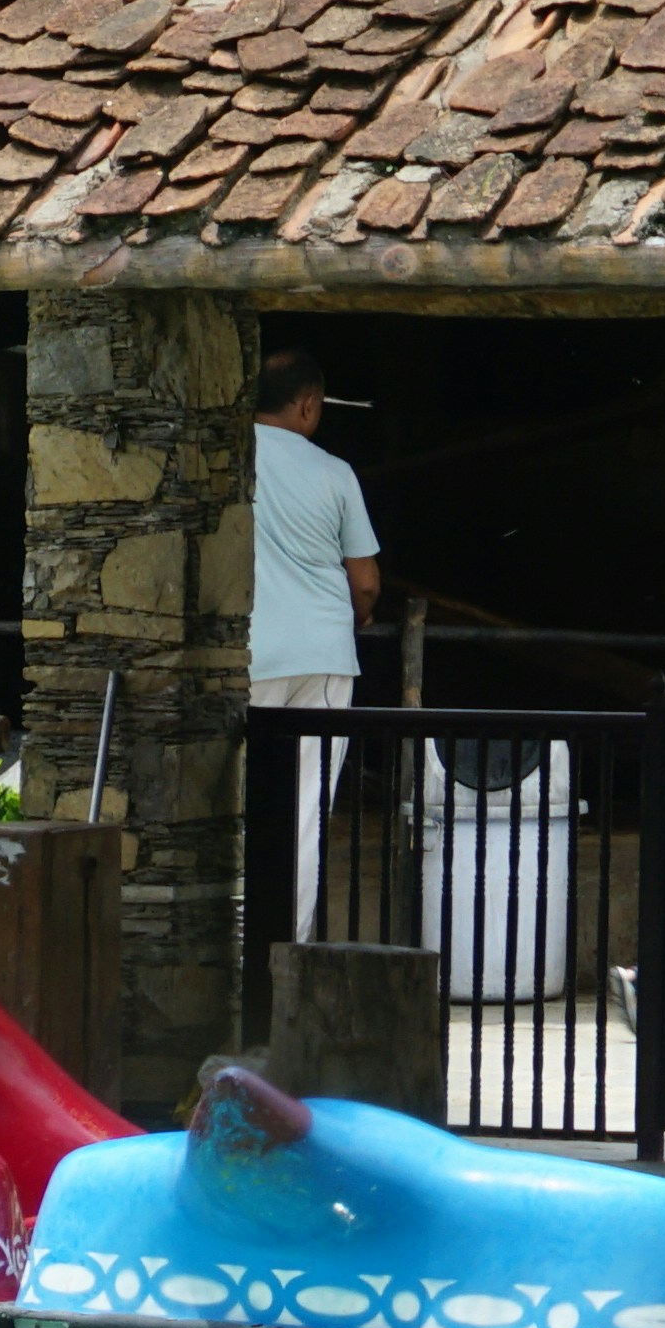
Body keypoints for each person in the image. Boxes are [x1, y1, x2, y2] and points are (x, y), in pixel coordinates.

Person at [246, 350, 380, 934]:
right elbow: (367, 581)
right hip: (321, 659)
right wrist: (360, 615)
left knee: (235, 804)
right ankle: (281, 949)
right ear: (308, 404)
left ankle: (229, 947)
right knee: (303, 815)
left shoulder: (227, 458)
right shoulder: (335, 472)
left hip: (243, 657)